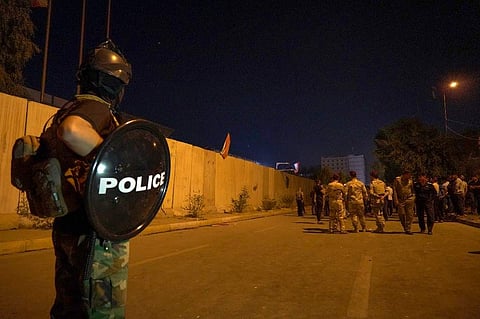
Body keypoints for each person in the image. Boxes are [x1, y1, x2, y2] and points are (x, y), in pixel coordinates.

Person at [43, 39, 133, 318]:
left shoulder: (66, 109)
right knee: (99, 311)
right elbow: (73, 131)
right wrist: (111, 161)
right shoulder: (96, 109)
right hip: (94, 234)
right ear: (113, 82)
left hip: (67, 226)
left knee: (69, 308)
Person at [393, 169, 415, 235]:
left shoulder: (410, 181)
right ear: (405, 174)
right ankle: (405, 227)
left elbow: (413, 189)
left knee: (410, 215)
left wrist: (414, 197)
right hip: (401, 200)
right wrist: (396, 200)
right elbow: (395, 190)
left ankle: (408, 229)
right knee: (401, 214)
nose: (409, 177)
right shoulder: (397, 180)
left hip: (409, 198)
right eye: (408, 175)